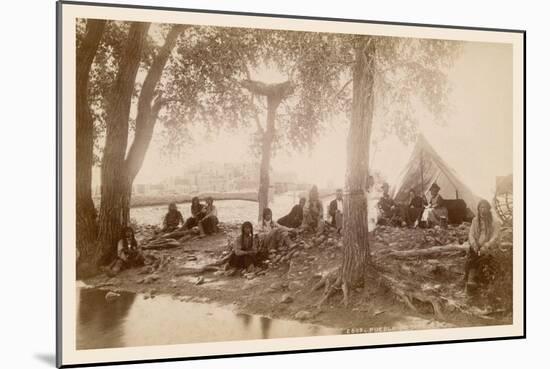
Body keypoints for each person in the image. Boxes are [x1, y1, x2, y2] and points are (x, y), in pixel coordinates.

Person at [463, 199, 501, 295]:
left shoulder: (495, 221)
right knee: (473, 256)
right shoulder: (475, 220)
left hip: (489, 247)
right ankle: (471, 280)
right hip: (477, 245)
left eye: (485, 207)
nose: (482, 210)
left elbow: (495, 236)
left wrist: (487, 245)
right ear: (478, 209)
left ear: (488, 209)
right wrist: (474, 244)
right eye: (480, 207)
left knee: (484, 259)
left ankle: (478, 280)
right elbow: (471, 234)